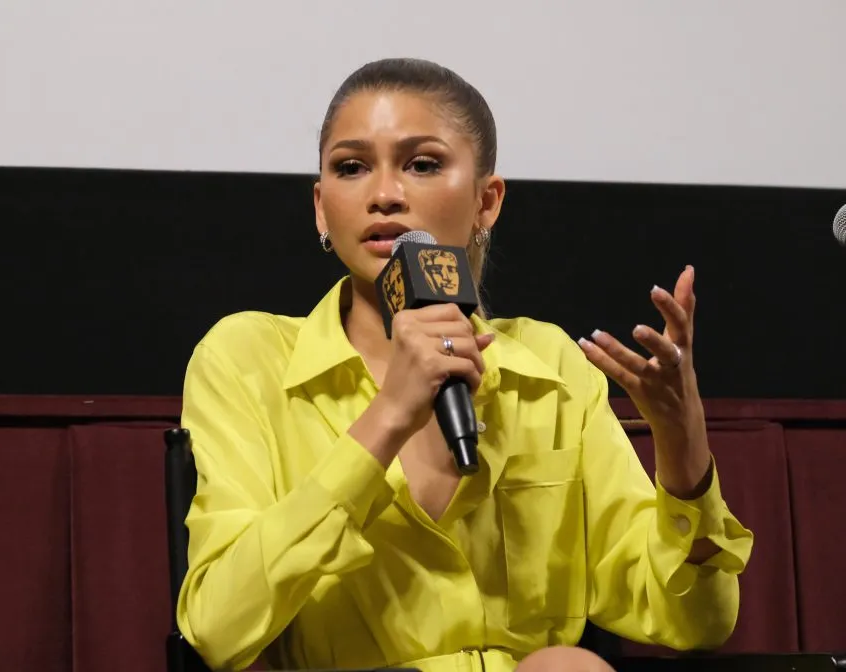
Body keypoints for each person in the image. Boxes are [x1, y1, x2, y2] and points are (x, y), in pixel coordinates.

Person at [175, 58, 754, 672]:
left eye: (422, 164)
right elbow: (217, 626)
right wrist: (388, 415)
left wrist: (685, 451)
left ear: (487, 200)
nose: (384, 194)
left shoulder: (549, 366)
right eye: (351, 167)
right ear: (321, 208)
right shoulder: (247, 358)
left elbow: (696, 622)